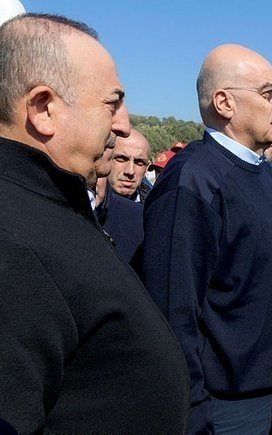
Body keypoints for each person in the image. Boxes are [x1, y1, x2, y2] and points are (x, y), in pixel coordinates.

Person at [0, 13, 189, 432]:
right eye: (112, 102)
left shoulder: (50, 204)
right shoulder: (11, 243)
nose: (122, 124)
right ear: (43, 108)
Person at [141, 43, 272, 434]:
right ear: (224, 102)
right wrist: (193, 411)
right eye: (268, 93)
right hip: (226, 409)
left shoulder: (263, 173)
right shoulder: (193, 181)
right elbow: (172, 312)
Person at [107, 128, 151, 202]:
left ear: (147, 168)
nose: (130, 171)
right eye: (121, 159)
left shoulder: (155, 207)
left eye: (139, 162)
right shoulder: (85, 203)